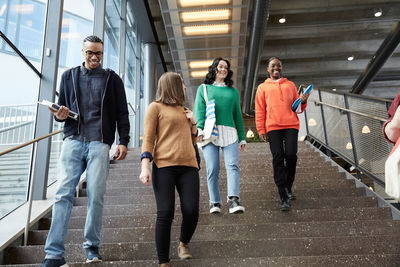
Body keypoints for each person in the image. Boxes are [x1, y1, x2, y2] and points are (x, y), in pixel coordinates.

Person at [41, 35, 130, 267]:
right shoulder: (68, 76)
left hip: (100, 143)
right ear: (83, 52)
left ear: (102, 54)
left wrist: (124, 140)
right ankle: (54, 255)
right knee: (62, 194)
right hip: (73, 140)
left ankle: (92, 248)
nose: (94, 57)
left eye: (98, 53)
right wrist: (60, 115)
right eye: (90, 52)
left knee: (96, 196)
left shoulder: (112, 79)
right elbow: (63, 110)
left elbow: (122, 112)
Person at [139, 72, 199, 267]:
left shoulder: (186, 110)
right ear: (173, 85)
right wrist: (145, 167)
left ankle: (183, 242)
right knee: (165, 212)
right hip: (164, 165)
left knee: (191, 211)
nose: (185, 88)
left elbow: (192, 140)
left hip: (189, 166)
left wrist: (194, 124)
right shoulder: (155, 107)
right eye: (182, 84)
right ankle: (163, 261)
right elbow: (148, 139)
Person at [255, 56, 309, 212]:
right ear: (268, 69)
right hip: (273, 127)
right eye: (272, 66)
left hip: (291, 124)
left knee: (291, 155)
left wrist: (303, 101)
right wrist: (260, 129)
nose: (276, 68)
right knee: (278, 157)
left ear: (281, 68)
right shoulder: (262, 88)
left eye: (278, 66)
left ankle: (288, 185)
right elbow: (260, 110)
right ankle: (283, 196)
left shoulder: (290, 85)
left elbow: (297, 108)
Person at [194, 57, 246, 214]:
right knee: (212, 168)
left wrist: (242, 137)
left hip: (230, 132)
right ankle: (215, 202)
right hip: (210, 133)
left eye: (226, 67)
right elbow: (199, 110)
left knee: (232, 166)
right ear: (214, 69)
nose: (224, 69)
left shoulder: (233, 91)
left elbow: (237, 114)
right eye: (220, 66)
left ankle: (234, 200)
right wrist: (200, 130)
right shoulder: (204, 88)